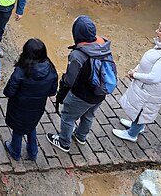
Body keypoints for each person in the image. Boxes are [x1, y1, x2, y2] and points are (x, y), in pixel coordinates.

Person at [47, 16, 115, 152]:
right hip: (100, 92)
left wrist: (63, 84)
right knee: (89, 115)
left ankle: (64, 142)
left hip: (81, 95)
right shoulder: (103, 45)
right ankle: (81, 136)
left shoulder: (78, 55)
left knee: (67, 117)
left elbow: (70, 81)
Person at [112, 19, 161, 142]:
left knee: (142, 110)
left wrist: (135, 75)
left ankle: (132, 134)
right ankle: (137, 126)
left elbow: (154, 77)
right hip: (148, 89)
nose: (157, 32)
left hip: (150, 91)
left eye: (160, 31)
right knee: (141, 110)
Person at [3, 38, 58, 161]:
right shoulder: (51, 68)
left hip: (19, 108)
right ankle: (33, 153)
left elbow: (9, 92)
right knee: (31, 127)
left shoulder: (21, 71)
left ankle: (15, 151)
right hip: (37, 108)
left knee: (18, 130)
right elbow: (52, 92)